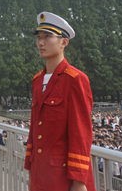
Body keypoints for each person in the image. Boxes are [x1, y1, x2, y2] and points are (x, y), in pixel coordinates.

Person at [24, 12, 95, 191]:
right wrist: (30, 168)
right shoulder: (37, 80)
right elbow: (35, 128)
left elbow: (81, 133)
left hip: (62, 176)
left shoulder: (75, 79)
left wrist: (78, 182)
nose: (41, 43)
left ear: (64, 42)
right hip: (39, 172)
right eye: (39, 37)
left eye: (48, 37)